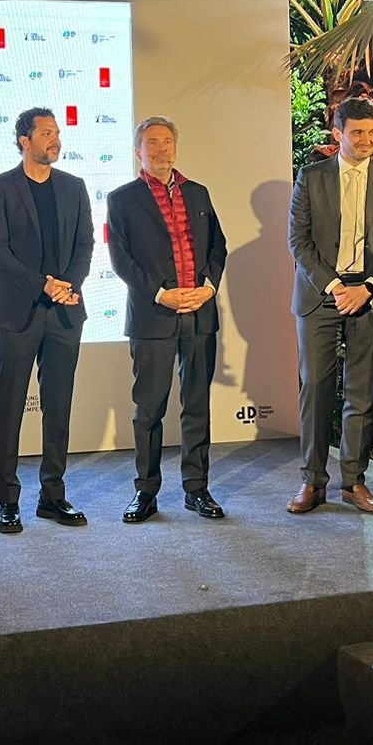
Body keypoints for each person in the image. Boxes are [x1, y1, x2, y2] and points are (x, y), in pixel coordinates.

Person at [286, 98, 373, 515]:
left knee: (360, 394)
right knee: (316, 389)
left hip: (372, 297)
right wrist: (336, 286)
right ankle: (312, 481)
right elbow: (299, 241)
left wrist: (369, 287)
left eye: (372, 133)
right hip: (320, 295)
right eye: (357, 132)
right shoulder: (311, 177)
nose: (365, 140)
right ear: (338, 134)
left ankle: (353, 482)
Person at [106, 116, 228, 523]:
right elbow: (121, 259)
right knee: (149, 409)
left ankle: (197, 489)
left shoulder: (198, 192)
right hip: (152, 315)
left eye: (167, 141)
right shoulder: (122, 199)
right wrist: (160, 293)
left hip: (199, 313)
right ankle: (146, 492)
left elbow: (218, 247)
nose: (162, 149)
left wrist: (208, 287)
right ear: (138, 152)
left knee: (197, 405)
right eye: (153, 142)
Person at [0, 108, 94, 535]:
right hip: (17, 311)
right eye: (46, 133)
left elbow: (85, 243)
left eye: (57, 132)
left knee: (58, 406)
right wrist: (43, 284)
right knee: (8, 407)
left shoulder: (73, 186)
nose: (55, 139)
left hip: (65, 311)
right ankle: (7, 500)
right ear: (24, 141)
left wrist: (68, 286)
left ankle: (53, 494)